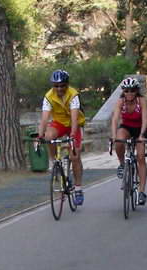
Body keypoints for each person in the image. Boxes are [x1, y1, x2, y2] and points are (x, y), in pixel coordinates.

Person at [38, 69, 85, 206]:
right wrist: (40, 135)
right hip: (59, 123)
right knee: (48, 136)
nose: (59, 88)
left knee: (75, 156)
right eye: (56, 86)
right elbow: (44, 118)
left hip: (73, 124)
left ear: (67, 85)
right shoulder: (48, 96)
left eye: (62, 85)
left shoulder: (73, 94)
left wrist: (72, 136)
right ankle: (54, 162)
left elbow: (75, 118)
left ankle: (78, 189)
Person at [111, 77, 147, 205]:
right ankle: (122, 164)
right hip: (127, 127)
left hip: (140, 129)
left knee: (141, 157)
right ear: (123, 91)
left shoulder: (141, 101)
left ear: (136, 91)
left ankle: (142, 191)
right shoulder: (120, 101)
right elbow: (115, 119)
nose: (129, 93)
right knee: (119, 141)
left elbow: (145, 119)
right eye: (126, 91)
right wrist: (113, 135)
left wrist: (142, 135)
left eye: (132, 90)